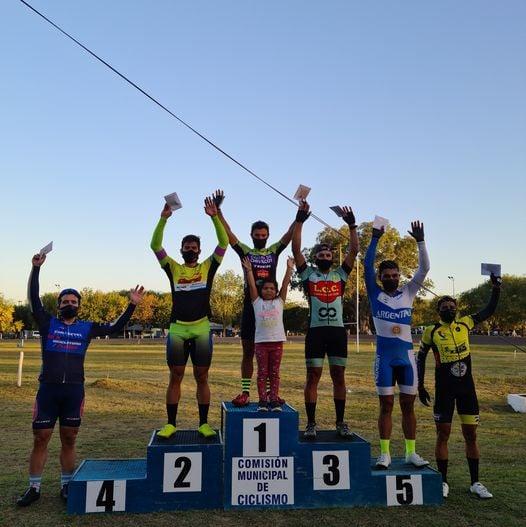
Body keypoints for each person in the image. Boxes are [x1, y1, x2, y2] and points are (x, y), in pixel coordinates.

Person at [18, 253, 144, 507]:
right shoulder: (47, 323)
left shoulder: (87, 327)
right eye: (65, 301)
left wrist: (132, 305)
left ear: (79, 306)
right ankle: (34, 487)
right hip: (48, 390)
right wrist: (36, 269)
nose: (70, 304)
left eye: (74, 301)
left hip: (74, 391)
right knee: (41, 437)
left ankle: (66, 485)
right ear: (58, 305)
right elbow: (33, 299)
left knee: (69, 438)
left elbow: (114, 327)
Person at [417, 273, 501, 499]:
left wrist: (496, 288)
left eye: (452, 307)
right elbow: (420, 357)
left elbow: (488, 310)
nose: (449, 309)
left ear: (457, 309)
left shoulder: (465, 323)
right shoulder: (431, 331)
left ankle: (475, 482)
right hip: (444, 390)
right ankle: (443, 481)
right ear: (438, 311)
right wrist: (420, 386)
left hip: (467, 390)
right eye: (444, 307)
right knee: (442, 434)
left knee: (471, 435)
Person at [150, 195, 228, 439]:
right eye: (187, 247)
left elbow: (224, 242)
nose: (191, 250)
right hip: (178, 329)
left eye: (194, 247)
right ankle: (171, 424)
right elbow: (155, 246)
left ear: (200, 250)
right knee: (175, 376)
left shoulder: (208, 266)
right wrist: (163, 219)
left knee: (202, 376)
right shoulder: (173, 268)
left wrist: (215, 217)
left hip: (202, 328)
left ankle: (203, 424)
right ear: (181, 250)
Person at [213, 190, 294, 406]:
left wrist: (299, 217)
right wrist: (218, 211)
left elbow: (288, 235)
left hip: (272, 307)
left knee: (271, 354)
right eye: (257, 235)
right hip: (251, 306)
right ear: (251, 236)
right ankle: (246, 392)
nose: (260, 238)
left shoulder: (274, 251)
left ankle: (270, 394)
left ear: (268, 235)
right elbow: (228, 233)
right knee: (248, 351)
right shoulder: (245, 251)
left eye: (263, 235)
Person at [364, 220, 430, 468]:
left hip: (407, 358)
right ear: (380, 278)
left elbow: (424, 268)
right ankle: (385, 453)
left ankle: (411, 452)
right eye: (387, 276)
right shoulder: (374, 292)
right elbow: (367, 265)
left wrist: (420, 241)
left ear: (399, 276)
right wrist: (375, 238)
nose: (391, 278)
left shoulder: (408, 292)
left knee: (408, 407)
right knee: (386, 406)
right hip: (385, 358)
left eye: (395, 275)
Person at [292, 201, 359, 438]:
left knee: (339, 376)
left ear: (332, 258)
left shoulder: (340, 275)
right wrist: (299, 221)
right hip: (316, 332)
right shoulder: (308, 274)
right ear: (315, 258)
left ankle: (340, 422)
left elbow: (354, 251)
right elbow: (296, 250)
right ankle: (311, 423)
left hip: (337, 332)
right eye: (321, 255)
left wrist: (352, 225)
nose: (325, 257)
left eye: (328, 255)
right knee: (313, 377)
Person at [241, 256, 294, 411]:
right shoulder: (257, 302)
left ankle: (274, 400)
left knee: (274, 373)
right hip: (261, 344)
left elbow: (285, 284)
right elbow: (252, 285)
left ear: (276, 291)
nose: (269, 290)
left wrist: (289, 268)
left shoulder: (279, 302)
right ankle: (263, 401)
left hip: (277, 344)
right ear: (261, 291)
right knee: (262, 373)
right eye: (265, 288)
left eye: (272, 288)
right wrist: (249, 270)